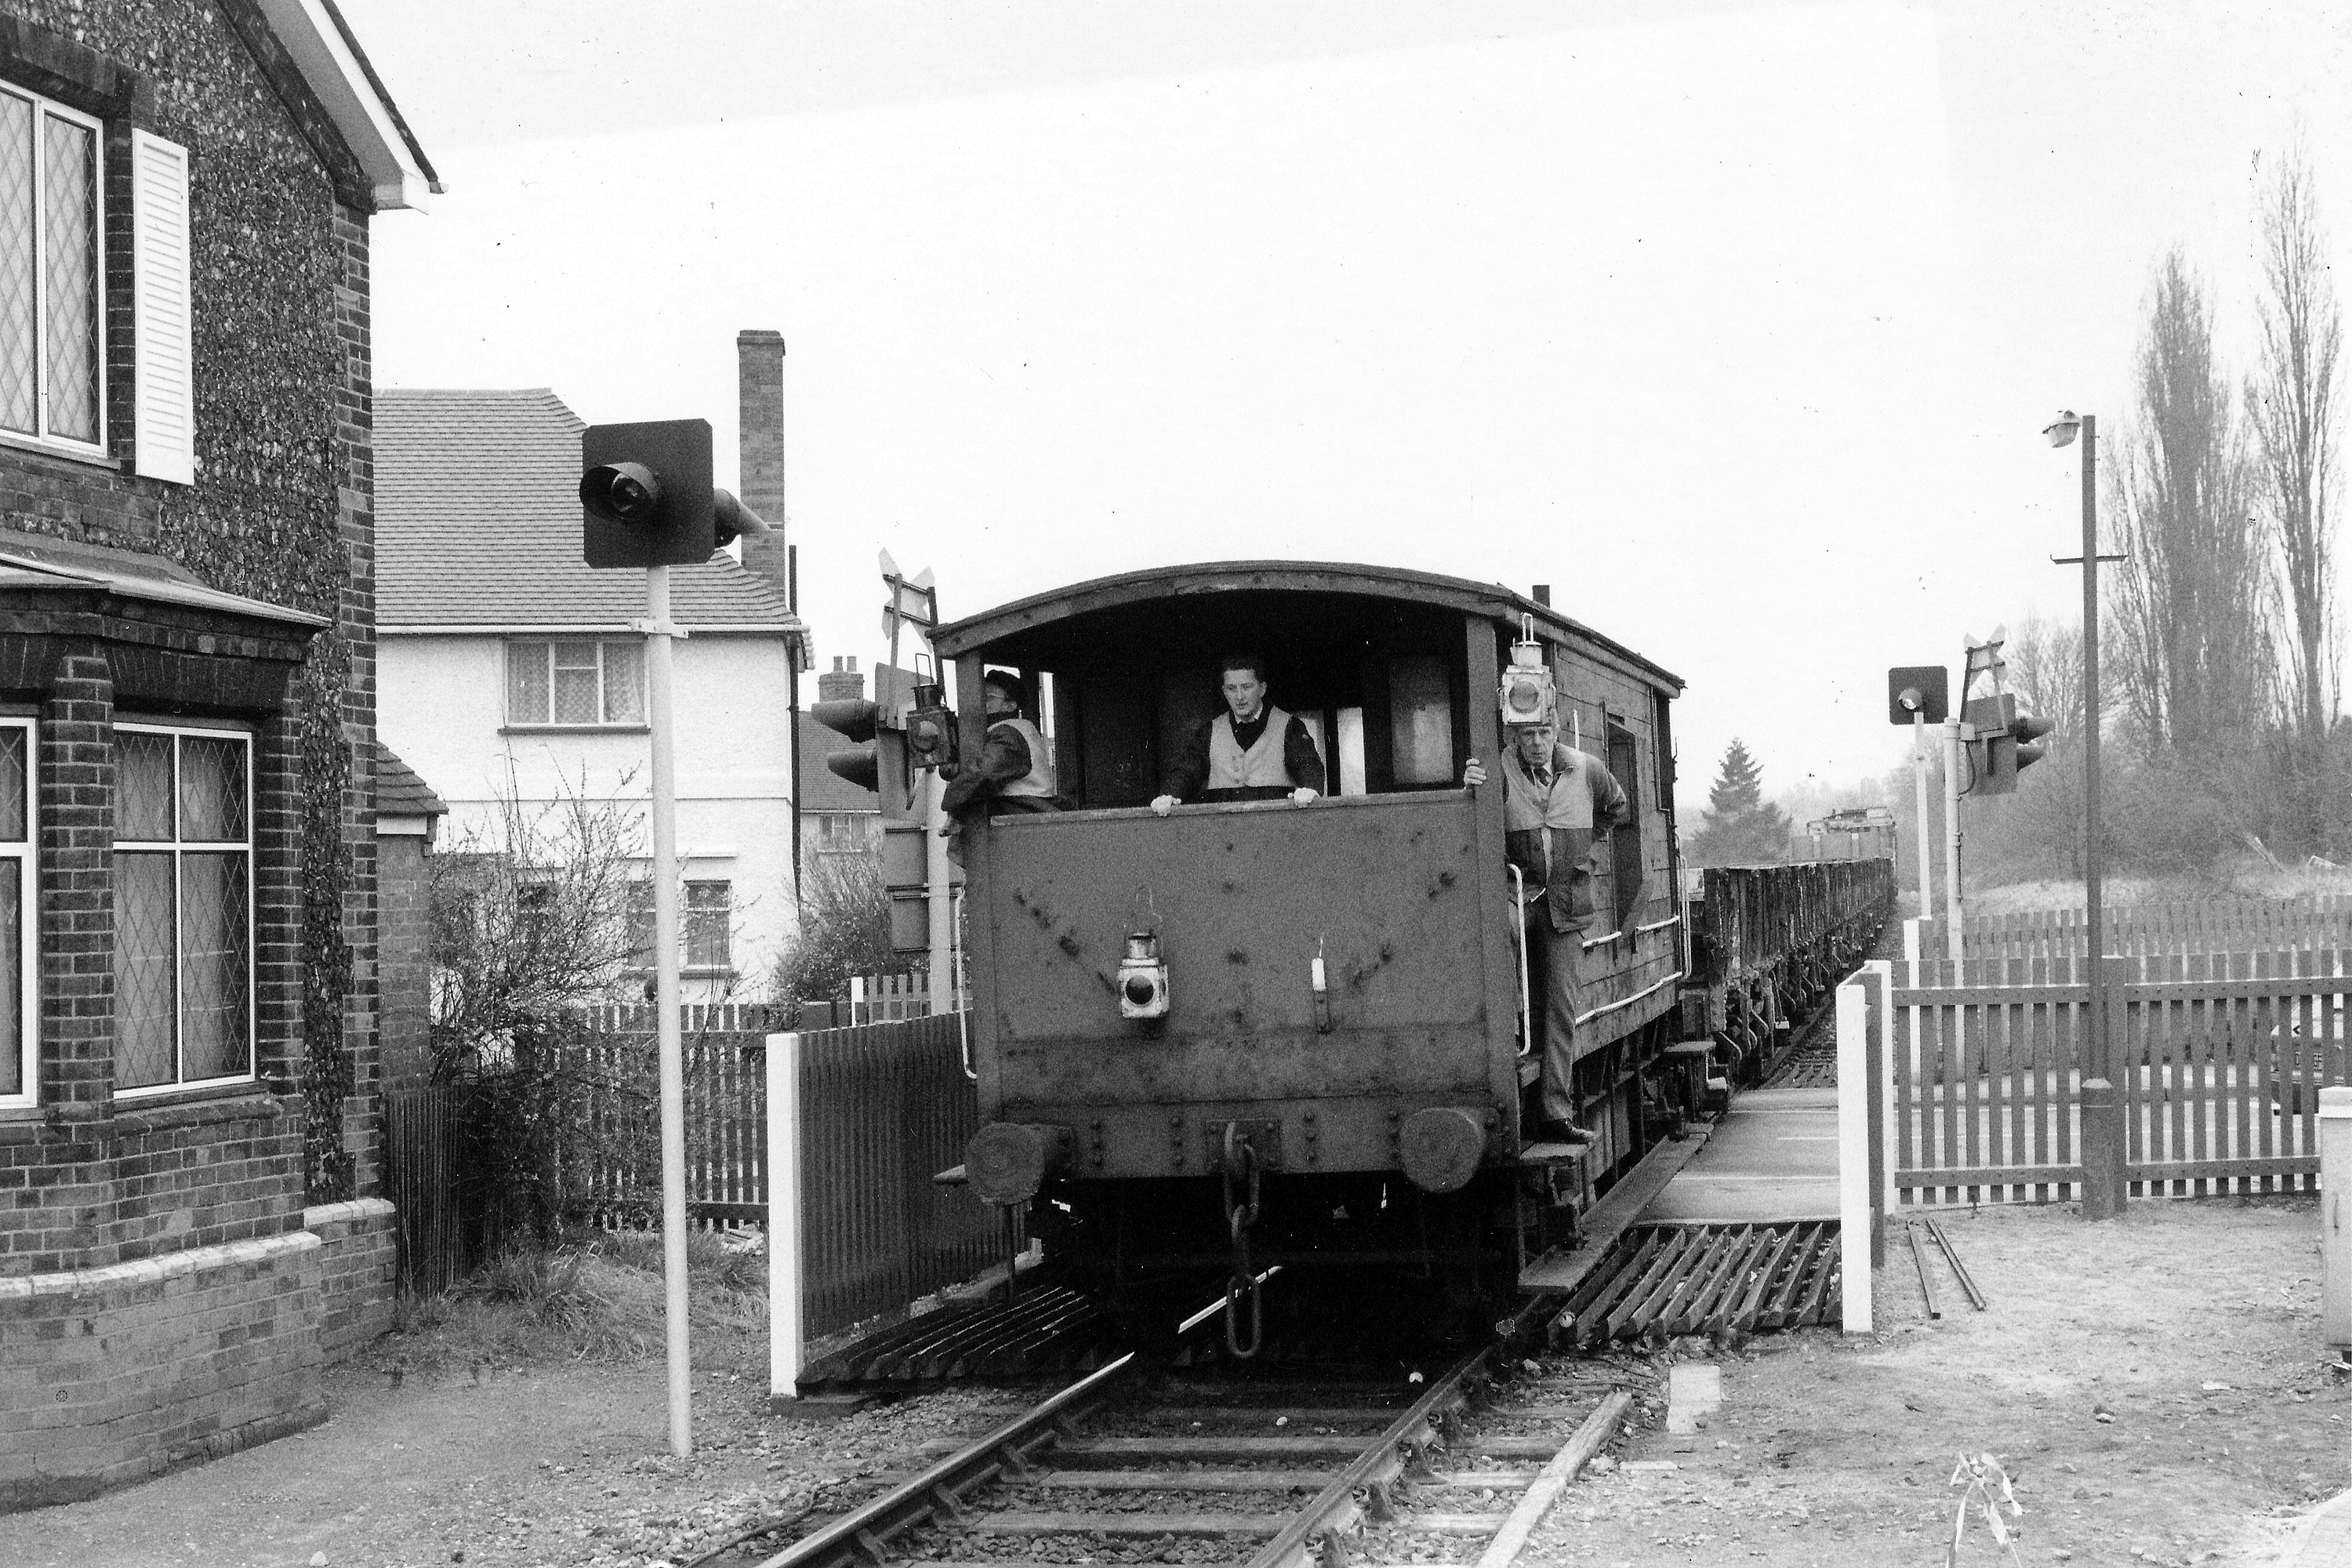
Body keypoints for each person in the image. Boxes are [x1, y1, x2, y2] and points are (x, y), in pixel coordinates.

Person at [1462, 717, 1629, 1142]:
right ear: (1515, 737)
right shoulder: (1496, 770)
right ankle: (1512, 1046)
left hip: (1566, 900)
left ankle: (1556, 1112)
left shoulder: (1587, 769)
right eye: (1527, 735)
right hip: (1516, 892)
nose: (1536, 743)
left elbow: (1617, 806)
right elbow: (1472, 816)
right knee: (1499, 947)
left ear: (1556, 733)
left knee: (1561, 1004)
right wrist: (1470, 785)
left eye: (1543, 733)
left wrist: (1589, 859)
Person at [1151, 654, 1325, 813]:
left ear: (1262, 689)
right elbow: (1186, 771)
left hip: (1274, 831)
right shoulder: (1209, 732)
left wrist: (1309, 789)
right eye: (1232, 688)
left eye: (1246, 687)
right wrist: (1169, 795)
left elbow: (1308, 765)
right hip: (1225, 835)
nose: (1239, 697)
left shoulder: (1289, 727)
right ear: (1224, 691)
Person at [939, 671, 1065, 851]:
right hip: (1028, 818)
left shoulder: (1009, 733)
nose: (981, 702)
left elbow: (984, 775)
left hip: (1023, 816)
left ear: (1011, 705)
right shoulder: (1010, 729)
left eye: (989, 697)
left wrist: (953, 804)